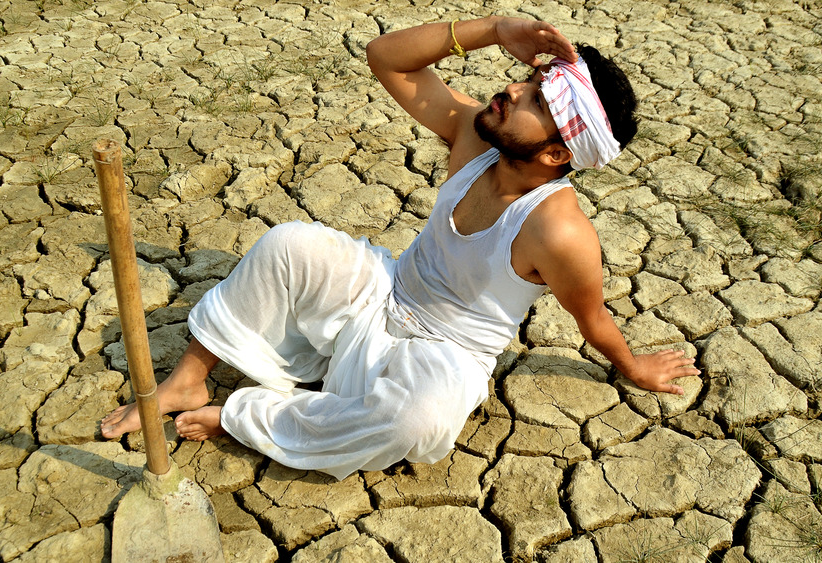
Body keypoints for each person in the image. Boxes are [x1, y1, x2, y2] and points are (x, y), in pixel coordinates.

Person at [100, 16, 700, 480]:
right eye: (532, 80)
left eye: (537, 101)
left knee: (418, 419)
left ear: (557, 154)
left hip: (444, 354)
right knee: (290, 244)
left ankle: (248, 420)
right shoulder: (476, 138)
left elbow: (591, 317)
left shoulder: (560, 231)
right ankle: (190, 377)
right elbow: (386, 58)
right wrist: (493, 30)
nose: (512, 89)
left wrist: (632, 366)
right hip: (386, 290)